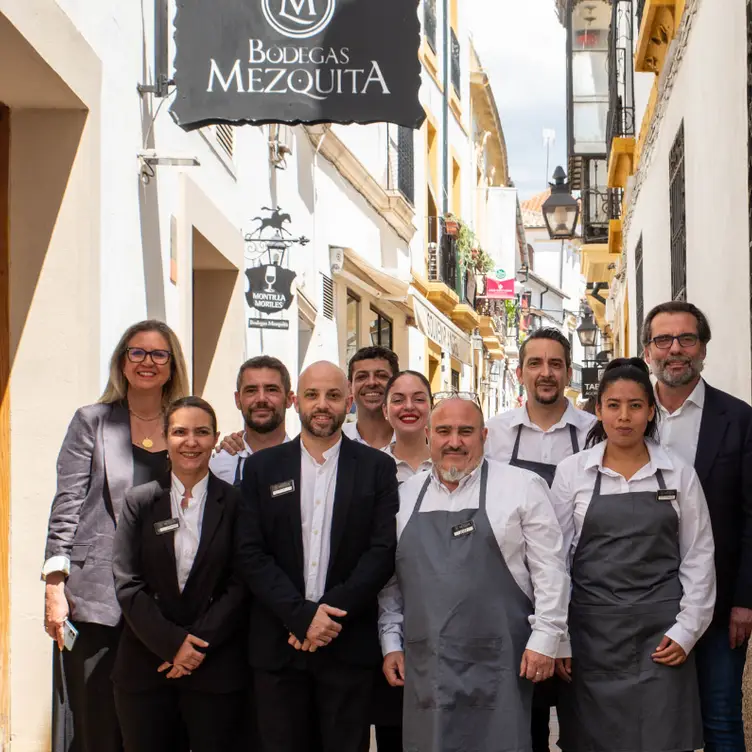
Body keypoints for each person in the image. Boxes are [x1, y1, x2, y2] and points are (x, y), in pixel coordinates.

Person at [379, 394, 570, 752]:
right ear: (428, 435)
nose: (454, 442)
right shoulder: (403, 497)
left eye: (465, 431)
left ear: (484, 436)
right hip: (427, 665)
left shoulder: (522, 487)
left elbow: (551, 571)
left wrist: (546, 639)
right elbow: (391, 583)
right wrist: (391, 642)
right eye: (444, 431)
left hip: (502, 664)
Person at [550, 358, 716, 752]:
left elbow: (698, 556)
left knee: (662, 740)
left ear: (650, 411)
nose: (624, 417)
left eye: (635, 405)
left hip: (661, 638)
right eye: (613, 405)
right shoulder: (573, 472)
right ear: (599, 409)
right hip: (590, 639)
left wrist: (687, 630)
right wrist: (559, 637)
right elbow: (554, 562)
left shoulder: (678, 473)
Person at [236, 361, 400, 752]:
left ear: (348, 400)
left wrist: (325, 615)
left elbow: (382, 552)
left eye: (331, 395)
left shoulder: (378, 468)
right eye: (312, 395)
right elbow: (249, 552)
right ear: (296, 402)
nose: (321, 405)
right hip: (279, 647)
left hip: (346, 645)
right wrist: (300, 616)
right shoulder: (261, 468)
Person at [43, 320, 189, 752]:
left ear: (171, 364)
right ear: (122, 362)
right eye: (137, 352)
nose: (148, 362)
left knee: (154, 724)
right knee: (95, 718)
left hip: (166, 600)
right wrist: (54, 584)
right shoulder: (92, 421)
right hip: (96, 598)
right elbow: (67, 502)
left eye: (159, 354)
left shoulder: (185, 424)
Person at [642, 301, 752, 752]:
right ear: (648, 350)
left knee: (721, 713)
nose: (675, 350)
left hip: (720, 600)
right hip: (642, 598)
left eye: (686, 339)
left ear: (702, 348)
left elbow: (750, 515)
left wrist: (745, 601)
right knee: (650, 715)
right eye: (663, 340)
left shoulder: (739, 419)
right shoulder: (628, 416)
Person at [111, 397, 247, 751]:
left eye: (202, 432)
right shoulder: (138, 502)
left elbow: (241, 583)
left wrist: (194, 647)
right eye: (180, 432)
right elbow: (128, 583)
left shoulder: (236, 504)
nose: (191, 442)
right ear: (164, 437)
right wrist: (172, 644)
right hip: (145, 666)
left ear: (214, 438)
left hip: (214, 667)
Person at [485, 326, 594, 751]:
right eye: (535, 363)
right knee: (522, 722)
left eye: (555, 364)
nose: (545, 373)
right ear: (519, 372)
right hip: (514, 595)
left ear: (568, 372)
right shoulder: (494, 434)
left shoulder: (593, 433)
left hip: (584, 597)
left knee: (581, 723)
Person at [365, 371, 433, 752]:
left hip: (443, 618)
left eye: (418, 398)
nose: (409, 407)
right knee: (394, 731)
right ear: (386, 410)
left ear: (430, 405)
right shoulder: (370, 468)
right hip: (386, 617)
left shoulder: (454, 463)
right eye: (399, 399)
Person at [210, 356, 293, 485]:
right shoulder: (216, 467)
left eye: (271, 390)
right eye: (251, 391)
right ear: (237, 400)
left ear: (289, 399)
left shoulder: (304, 465)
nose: (261, 399)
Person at [343, 346, 399, 449]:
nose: (371, 382)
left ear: (396, 384)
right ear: (350, 388)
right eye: (362, 376)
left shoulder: (411, 439)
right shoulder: (336, 440)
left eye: (381, 375)